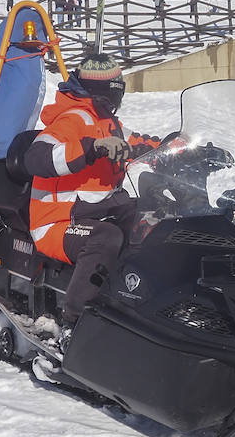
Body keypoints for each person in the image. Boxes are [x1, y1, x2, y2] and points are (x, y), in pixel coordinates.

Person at [22, 54, 158, 337]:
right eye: (117, 89)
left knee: (155, 219)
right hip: (57, 222)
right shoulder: (72, 119)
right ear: (107, 90)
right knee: (105, 238)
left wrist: (186, 146)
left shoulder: (106, 121)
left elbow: (144, 143)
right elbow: (36, 158)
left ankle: (143, 303)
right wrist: (91, 148)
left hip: (96, 210)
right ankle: (73, 326)